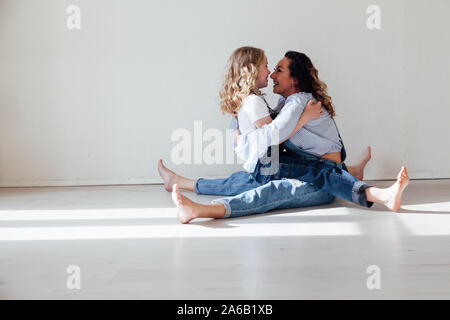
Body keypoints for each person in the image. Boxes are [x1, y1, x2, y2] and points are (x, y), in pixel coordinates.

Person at [159, 47, 409, 223]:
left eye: (279, 70)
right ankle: (181, 183)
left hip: (319, 179)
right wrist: (238, 130)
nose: (272, 74)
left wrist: (243, 136)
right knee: (247, 179)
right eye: (270, 68)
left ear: (295, 80)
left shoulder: (299, 102)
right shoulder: (282, 105)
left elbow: (275, 133)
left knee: (267, 191)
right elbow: (270, 128)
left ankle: (202, 210)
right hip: (313, 170)